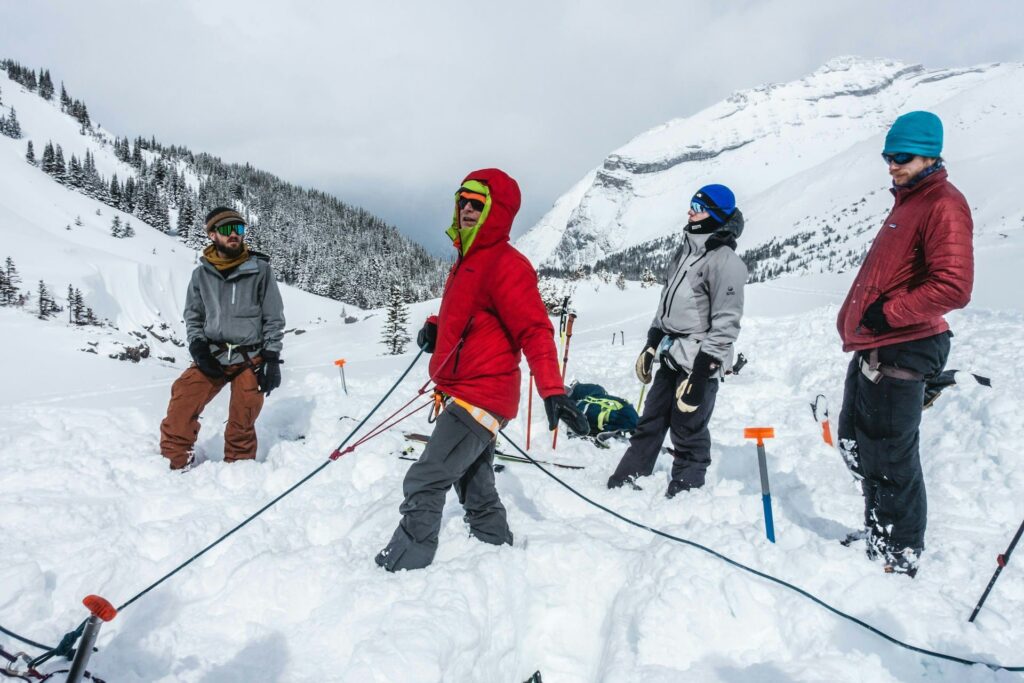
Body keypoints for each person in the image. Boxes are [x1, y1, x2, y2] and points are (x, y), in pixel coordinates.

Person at [376, 168, 589, 572]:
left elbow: (534, 329)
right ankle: (495, 548)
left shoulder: (506, 265)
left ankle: (404, 566)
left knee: (426, 478)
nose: (468, 209)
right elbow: (471, 316)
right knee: (473, 479)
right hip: (464, 389)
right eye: (464, 201)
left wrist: (552, 389)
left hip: (483, 395)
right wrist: (436, 331)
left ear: (496, 211)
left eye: (478, 203)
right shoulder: (467, 259)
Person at [836, 111, 973, 577]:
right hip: (877, 345)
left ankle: (900, 551)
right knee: (857, 441)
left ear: (930, 154)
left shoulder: (943, 204)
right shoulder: (910, 200)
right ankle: (880, 532)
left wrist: (887, 313)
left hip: (906, 345)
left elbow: (954, 286)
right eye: (887, 156)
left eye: (902, 157)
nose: (891, 165)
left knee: (891, 456)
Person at [608, 184, 747, 498]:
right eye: (691, 205)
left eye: (697, 207)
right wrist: (651, 344)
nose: (690, 211)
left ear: (713, 214)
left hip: (700, 357)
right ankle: (630, 474)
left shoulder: (726, 262)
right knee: (651, 419)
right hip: (673, 352)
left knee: (688, 427)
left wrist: (700, 376)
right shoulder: (686, 249)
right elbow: (665, 303)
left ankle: (687, 487)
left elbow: (726, 325)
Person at [158, 207, 285, 471]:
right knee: (183, 400)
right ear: (213, 235)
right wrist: (198, 348)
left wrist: (272, 359)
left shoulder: (260, 270)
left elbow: (273, 316)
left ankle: (238, 472)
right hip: (213, 355)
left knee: (243, 417)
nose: (234, 235)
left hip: (251, 357)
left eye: (238, 229)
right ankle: (174, 464)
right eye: (227, 230)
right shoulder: (201, 275)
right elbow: (193, 316)